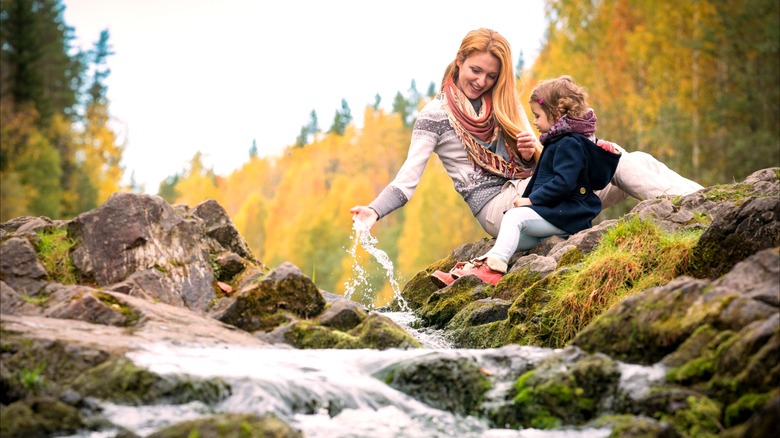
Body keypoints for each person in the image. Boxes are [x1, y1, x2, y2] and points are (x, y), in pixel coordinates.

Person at [349, 28, 702, 273]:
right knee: (616, 159)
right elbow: (406, 181)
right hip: (499, 207)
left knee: (629, 159)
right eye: (476, 70)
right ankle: (698, 211)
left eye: (491, 75)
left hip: (543, 188)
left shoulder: (504, 101)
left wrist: (534, 151)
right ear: (459, 60)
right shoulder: (434, 116)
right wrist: (373, 212)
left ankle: (703, 202)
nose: (482, 82)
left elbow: (548, 161)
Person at [431, 75, 620, 287]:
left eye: (537, 116)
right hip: (558, 215)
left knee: (514, 217)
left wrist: (531, 201)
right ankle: (472, 272)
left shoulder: (569, 144)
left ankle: (493, 270)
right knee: (510, 240)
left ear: (556, 114)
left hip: (568, 215)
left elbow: (563, 183)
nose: (534, 122)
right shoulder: (559, 141)